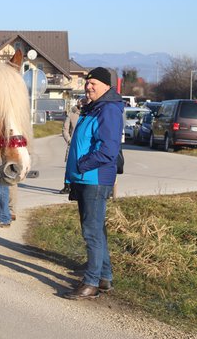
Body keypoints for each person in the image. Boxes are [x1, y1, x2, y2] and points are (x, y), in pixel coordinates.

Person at [63, 67, 124, 300]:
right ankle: (104, 277)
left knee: (91, 232)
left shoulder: (108, 110)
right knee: (96, 229)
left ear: (107, 86)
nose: (89, 86)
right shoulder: (95, 107)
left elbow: (108, 150)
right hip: (86, 177)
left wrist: (82, 165)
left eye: (94, 83)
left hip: (94, 178)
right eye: (87, 83)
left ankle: (91, 283)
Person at [59, 97, 87, 194]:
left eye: (84, 101)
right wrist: (69, 140)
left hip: (85, 144)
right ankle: (67, 186)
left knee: (84, 165)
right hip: (72, 144)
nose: (82, 103)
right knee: (70, 165)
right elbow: (65, 130)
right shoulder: (71, 115)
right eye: (81, 101)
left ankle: (81, 186)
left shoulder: (89, 114)